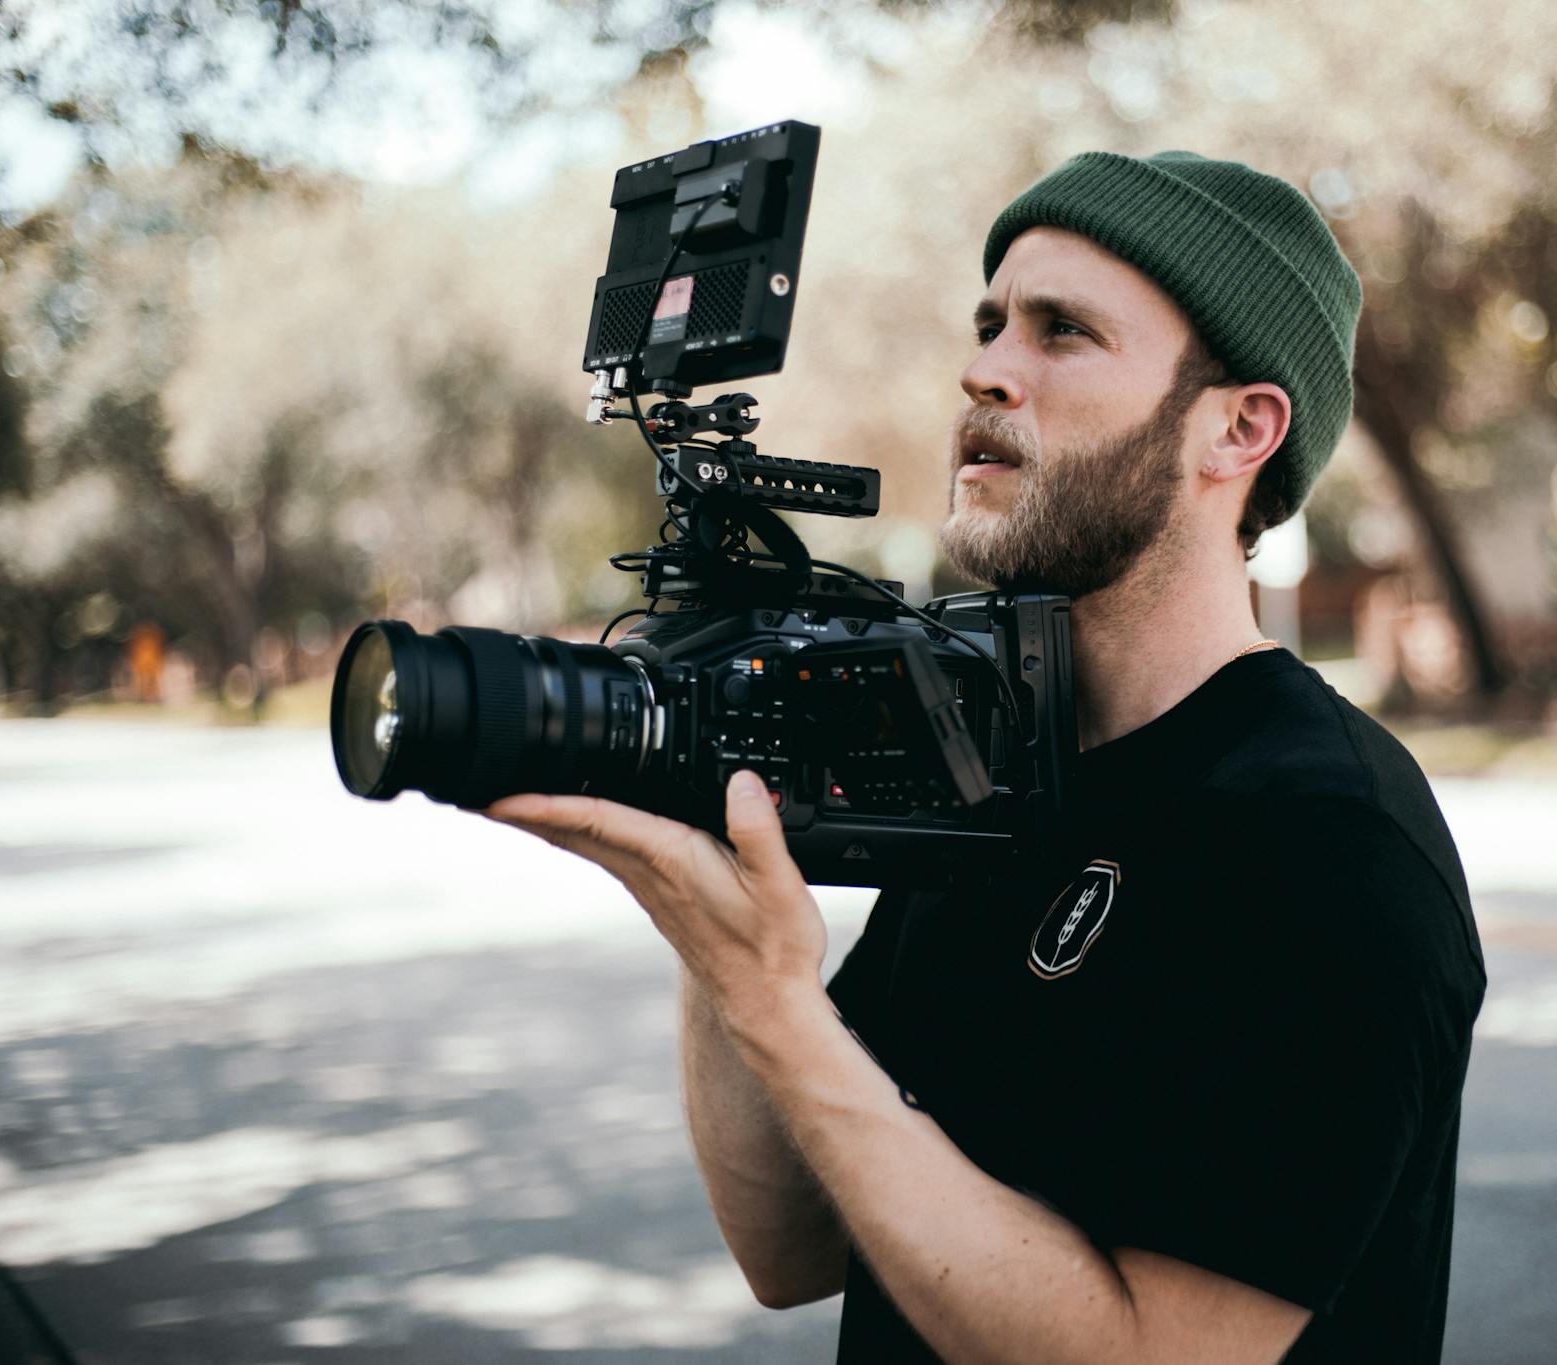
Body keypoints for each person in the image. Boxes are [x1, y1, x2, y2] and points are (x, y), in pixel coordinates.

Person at [487, 150, 1487, 1363]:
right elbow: (790, 1247)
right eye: (988, 325)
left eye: (1061, 331)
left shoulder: (1321, 837)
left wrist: (777, 1001)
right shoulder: (989, 771)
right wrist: (715, 932)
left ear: (1238, 429)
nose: (984, 370)